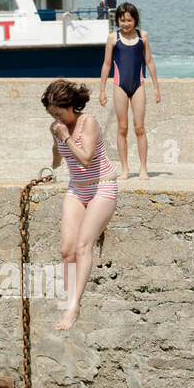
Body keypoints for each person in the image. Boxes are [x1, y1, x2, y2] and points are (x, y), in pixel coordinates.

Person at [43, 79, 118, 331]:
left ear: (72, 107)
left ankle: (74, 306)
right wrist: (55, 149)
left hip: (101, 185)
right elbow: (58, 156)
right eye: (51, 114)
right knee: (67, 249)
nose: (56, 118)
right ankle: (69, 298)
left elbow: (85, 158)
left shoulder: (89, 122)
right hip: (77, 188)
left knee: (84, 245)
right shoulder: (57, 128)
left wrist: (65, 137)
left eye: (59, 113)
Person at [99, 3, 160, 180]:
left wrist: (156, 87)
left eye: (129, 20)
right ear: (117, 20)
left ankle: (143, 168)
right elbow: (107, 64)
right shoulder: (113, 38)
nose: (125, 24)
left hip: (138, 85)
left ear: (135, 20)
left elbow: (149, 62)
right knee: (123, 128)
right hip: (120, 86)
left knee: (139, 127)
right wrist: (102, 90)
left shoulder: (143, 36)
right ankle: (125, 168)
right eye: (122, 20)